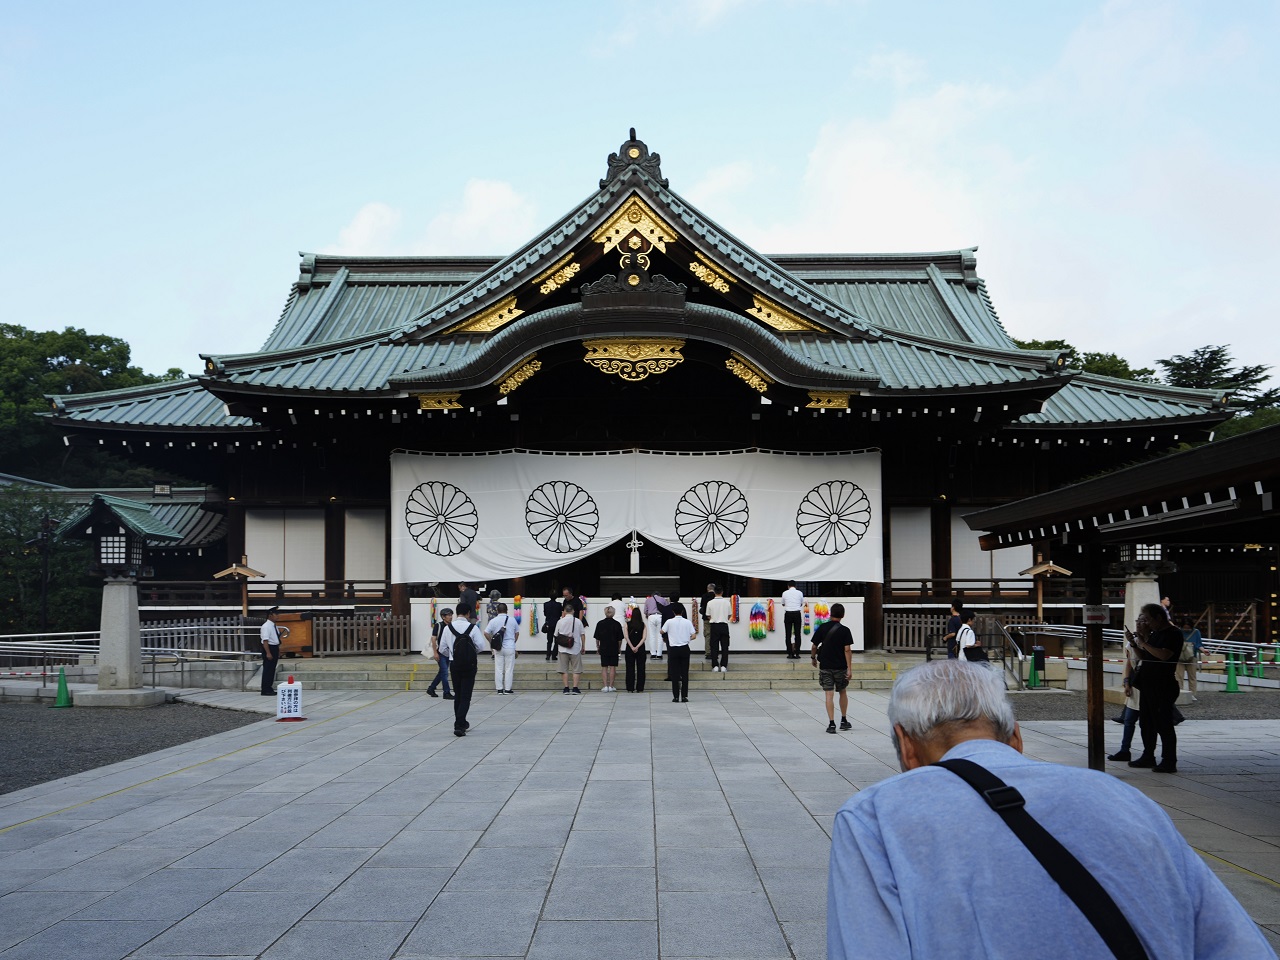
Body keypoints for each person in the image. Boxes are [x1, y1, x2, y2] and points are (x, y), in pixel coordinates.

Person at [827, 659, 1276, 960]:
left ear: (906, 745)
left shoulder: (874, 819)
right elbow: (1235, 944)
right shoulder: (1123, 798)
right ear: (1016, 737)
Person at [1127, 602, 1181, 773]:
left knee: (1163, 723)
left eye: (1149, 619)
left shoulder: (1173, 633)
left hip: (1163, 684)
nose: (1147, 623)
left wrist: (1144, 643)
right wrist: (1136, 644)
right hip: (1148, 685)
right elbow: (1145, 656)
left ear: (1159, 617)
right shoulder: (1156, 634)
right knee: (1146, 722)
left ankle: (1169, 759)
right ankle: (1148, 755)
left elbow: (1164, 655)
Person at [438, 602, 486, 736]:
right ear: (468, 613)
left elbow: (442, 649)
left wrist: (453, 655)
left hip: (455, 665)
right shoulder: (473, 628)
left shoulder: (448, 628)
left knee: (458, 694)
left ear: (456, 612)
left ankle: (460, 721)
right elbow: (481, 646)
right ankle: (460, 724)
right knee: (466, 695)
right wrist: (469, 654)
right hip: (469, 665)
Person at [811, 602, 853, 733]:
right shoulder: (845, 630)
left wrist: (813, 658)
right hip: (840, 667)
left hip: (825, 666)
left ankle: (831, 724)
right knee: (842, 691)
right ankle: (844, 720)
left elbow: (814, 646)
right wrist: (849, 668)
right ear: (843, 615)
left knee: (829, 694)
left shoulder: (822, 628)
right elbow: (847, 650)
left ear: (830, 613)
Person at [1108, 628, 1142, 762]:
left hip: (1148, 685)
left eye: (1143, 621)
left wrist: (1135, 643)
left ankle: (1148, 752)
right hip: (1135, 683)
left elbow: (1143, 657)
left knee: (1148, 723)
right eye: (1138, 622)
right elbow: (1129, 663)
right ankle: (1124, 750)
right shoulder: (1132, 643)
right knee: (1128, 720)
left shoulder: (1150, 641)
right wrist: (1126, 681)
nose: (1139, 625)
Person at [662, 605, 695, 702]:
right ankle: (684, 696)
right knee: (685, 673)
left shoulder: (669, 621)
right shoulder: (687, 622)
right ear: (682, 612)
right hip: (685, 648)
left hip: (673, 649)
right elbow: (693, 635)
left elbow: (662, 631)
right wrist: (686, 639)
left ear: (673, 612)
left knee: (675, 673)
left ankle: (676, 696)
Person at [486, 602, 518, 695]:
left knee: (499, 668)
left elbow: (486, 632)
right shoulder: (512, 620)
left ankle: (499, 689)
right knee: (509, 668)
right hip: (510, 647)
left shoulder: (493, 621)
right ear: (507, 610)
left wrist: (492, 642)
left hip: (498, 647)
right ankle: (508, 689)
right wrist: (513, 642)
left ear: (497, 611)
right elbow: (517, 633)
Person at [554, 606, 585, 695]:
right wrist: (583, 646)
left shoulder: (560, 621)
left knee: (564, 669)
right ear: (573, 611)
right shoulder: (578, 621)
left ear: (564, 611)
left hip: (563, 648)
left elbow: (556, 634)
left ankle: (566, 688)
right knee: (576, 669)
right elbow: (582, 634)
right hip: (575, 648)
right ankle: (575, 688)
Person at [426, 608, 455, 700]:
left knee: (442, 672)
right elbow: (433, 639)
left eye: (451, 615)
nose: (450, 617)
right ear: (443, 617)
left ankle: (431, 688)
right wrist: (435, 652)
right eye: (448, 615)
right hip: (440, 652)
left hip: (449, 652)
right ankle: (446, 692)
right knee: (445, 672)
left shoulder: (452, 626)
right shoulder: (438, 625)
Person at [594, 604, 623, 692]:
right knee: (613, 667)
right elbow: (620, 639)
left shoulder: (600, 623)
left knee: (604, 667)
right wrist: (619, 648)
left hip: (603, 647)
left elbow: (597, 638)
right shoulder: (617, 624)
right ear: (613, 613)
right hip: (614, 647)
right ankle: (611, 686)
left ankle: (605, 686)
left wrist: (598, 646)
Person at [705, 586, 732, 672]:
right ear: (722, 592)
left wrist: (714, 618)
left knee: (714, 646)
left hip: (714, 625)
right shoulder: (727, 602)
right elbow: (729, 615)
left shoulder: (710, 602)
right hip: (724, 625)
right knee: (725, 646)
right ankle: (724, 665)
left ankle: (715, 666)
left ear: (714, 592)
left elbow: (708, 615)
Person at [1175, 618, 1201, 702]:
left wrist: (1203, 650)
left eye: (1188, 627)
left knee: (1192, 676)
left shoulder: (1196, 632)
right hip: (1180, 657)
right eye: (1185, 627)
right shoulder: (1178, 631)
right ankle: (1179, 693)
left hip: (1191, 657)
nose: (1186, 629)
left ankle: (1192, 694)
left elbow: (1199, 644)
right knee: (1179, 677)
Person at [624, 606, 647, 692]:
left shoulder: (627, 624)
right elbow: (644, 638)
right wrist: (637, 647)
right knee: (641, 668)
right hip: (640, 649)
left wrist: (632, 647)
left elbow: (626, 637)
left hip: (630, 648)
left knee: (630, 668)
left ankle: (630, 688)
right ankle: (640, 688)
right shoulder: (643, 625)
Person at [259, 607, 281, 696]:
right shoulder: (266, 626)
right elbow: (265, 640)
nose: (277, 616)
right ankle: (265, 689)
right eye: (276, 615)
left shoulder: (273, 625)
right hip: (269, 648)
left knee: (272, 669)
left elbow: (276, 638)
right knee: (268, 669)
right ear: (270, 615)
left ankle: (269, 688)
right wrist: (268, 652)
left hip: (274, 647)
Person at [781, 581, 804, 658]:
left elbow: (783, 604)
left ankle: (790, 653)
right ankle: (797, 653)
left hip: (788, 614)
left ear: (788, 586)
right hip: (797, 614)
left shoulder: (784, 593)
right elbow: (801, 603)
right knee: (797, 634)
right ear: (795, 586)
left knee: (788, 635)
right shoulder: (800, 593)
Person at [645, 591, 669, 660]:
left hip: (651, 616)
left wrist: (648, 615)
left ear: (652, 595)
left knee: (652, 636)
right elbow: (667, 609)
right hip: (660, 616)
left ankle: (653, 654)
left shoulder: (648, 600)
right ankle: (659, 654)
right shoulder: (663, 599)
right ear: (659, 595)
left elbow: (645, 611)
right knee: (660, 636)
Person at [542, 591, 562, 661]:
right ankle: (554, 655)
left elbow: (545, 614)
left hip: (549, 624)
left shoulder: (545, 604)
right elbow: (560, 614)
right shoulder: (559, 605)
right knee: (556, 640)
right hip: (556, 623)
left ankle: (548, 655)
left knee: (549, 640)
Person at [700, 582, 716, 660]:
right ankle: (715, 652)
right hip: (715, 619)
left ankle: (708, 653)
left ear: (707, 589)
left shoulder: (704, 596)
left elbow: (702, 607)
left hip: (706, 619)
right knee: (716, 636)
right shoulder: (716, 596)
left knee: (707, 635)